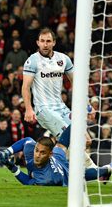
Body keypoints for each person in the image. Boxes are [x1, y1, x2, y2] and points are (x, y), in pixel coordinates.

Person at [22, 28, 96, 168]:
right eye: (42, 41)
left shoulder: (63, 59)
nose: (45, 44)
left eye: (48, 41)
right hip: (44, 109)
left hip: (61, 107)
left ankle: (86, 170)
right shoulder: (32, 61)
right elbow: (25, 87)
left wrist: (87, 105)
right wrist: (28, 109)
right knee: (71, 138)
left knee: (86, 140)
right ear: (37, 43)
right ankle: (93, 171)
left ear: (54, 43)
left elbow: (77, 83)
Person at [0, 125, 112, 186]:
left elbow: (27, 182)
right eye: (37, 150)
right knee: (61, 145)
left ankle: (110, 167)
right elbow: (26, 140)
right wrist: (6, 153)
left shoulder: (48, 179)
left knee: (88, 174)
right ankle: (76, 121)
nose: (37, 155)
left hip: (68, 174)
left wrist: (12, 167)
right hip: (58, 157)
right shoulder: (33, 150)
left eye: (42, 153)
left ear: (49, 154)